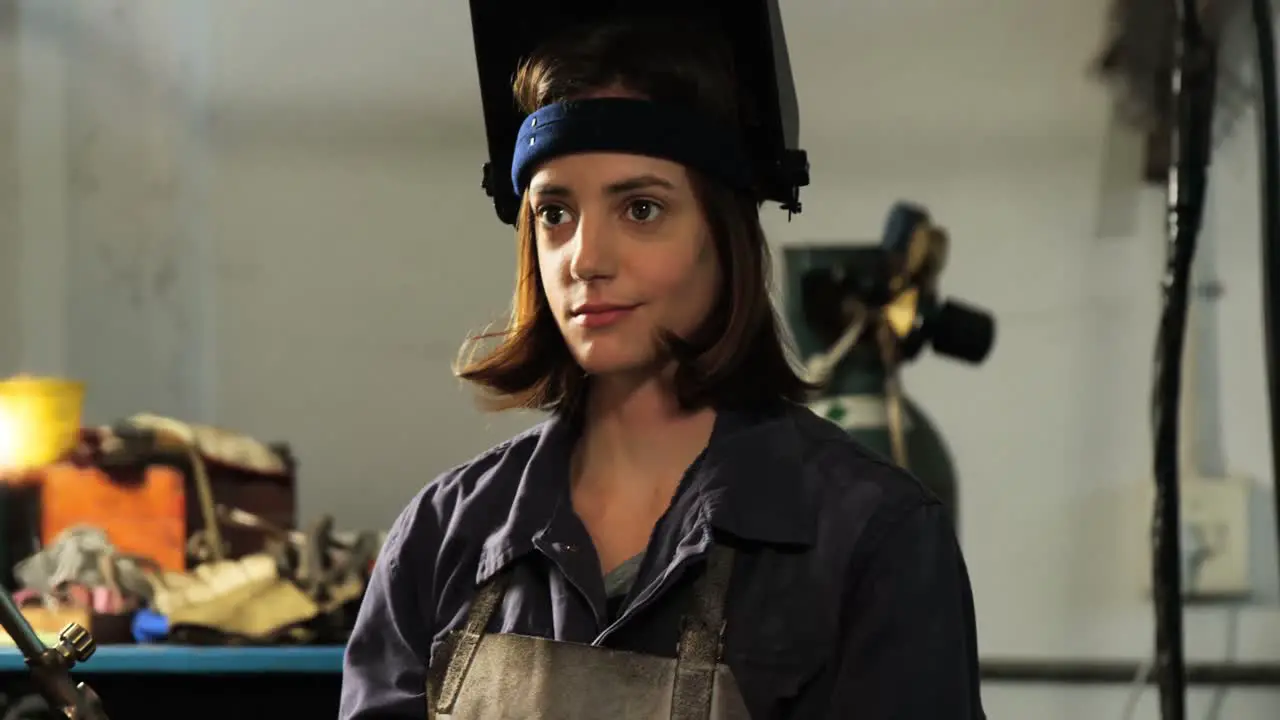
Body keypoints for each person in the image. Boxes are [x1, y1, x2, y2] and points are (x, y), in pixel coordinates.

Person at [340, 16, 985, 720]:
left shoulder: (870, 541)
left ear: (724, 233)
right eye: (555, 212)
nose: (585, 258)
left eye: (641, 208)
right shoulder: (441, 539)